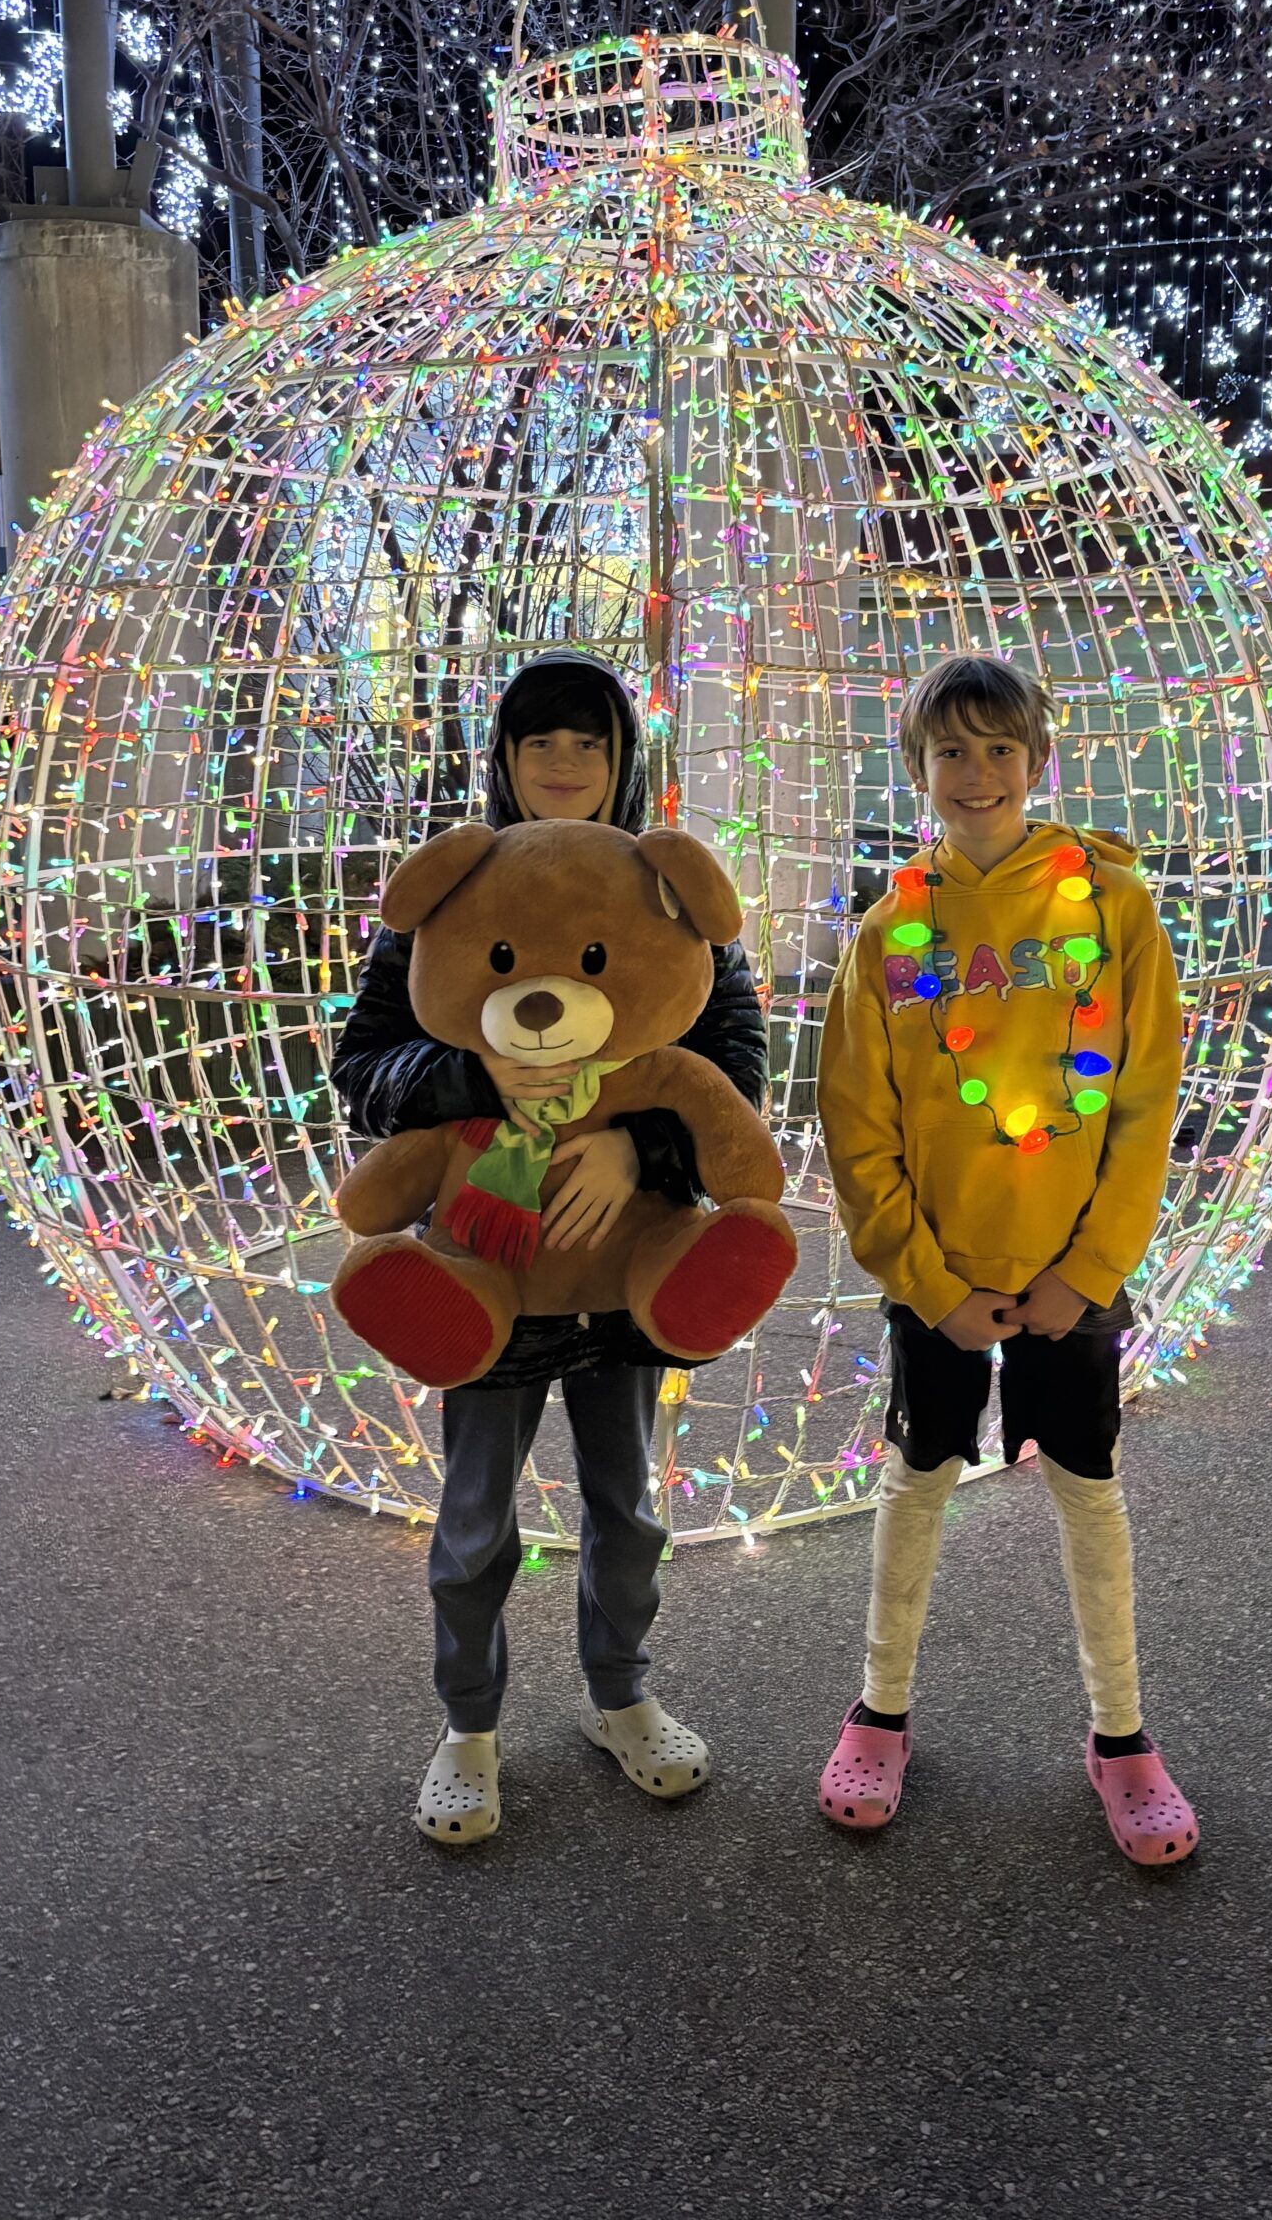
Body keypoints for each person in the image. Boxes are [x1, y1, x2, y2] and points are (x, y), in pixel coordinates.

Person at [332, 653, 766, 1846]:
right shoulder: (459, 890)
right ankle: (467, 1728)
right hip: (488, 1263)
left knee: (627, 1502)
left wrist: (645, 1155)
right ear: (506, 760)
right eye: (539, 744)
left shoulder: (667, 898)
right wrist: (468, 1075)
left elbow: (733, 1063)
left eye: (587, 742)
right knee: (476, 1514)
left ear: (623, 760)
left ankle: (620, 1695)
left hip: (620, 1262)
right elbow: (364, 1068)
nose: (564, 764)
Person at [813, 652, 1198, 1863]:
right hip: (942, 1284)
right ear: (918, 770)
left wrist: (1087, 1271)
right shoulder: (894, 928)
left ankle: (1122, 1735)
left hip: (1072, 1280)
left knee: (1091, 1495)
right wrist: (929, 1281)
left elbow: (1145, 1100)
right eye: (949, 753)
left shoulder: (1111, 906)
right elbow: (856, 1122)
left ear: (1038, 761)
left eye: (997, 750)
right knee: (915, 1482)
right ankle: (879, 1711)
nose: (975, 774)